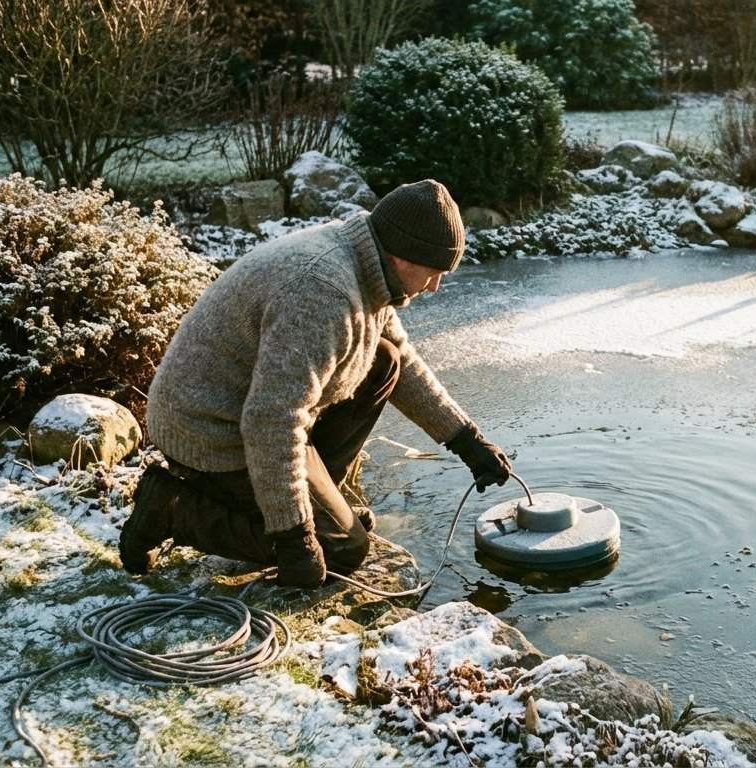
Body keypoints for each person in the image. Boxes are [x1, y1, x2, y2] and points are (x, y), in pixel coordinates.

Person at [119, 179, 512, 587]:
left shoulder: (368, 264)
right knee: (342, 551)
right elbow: (271, 420)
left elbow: (403, 363)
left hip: (253, 410)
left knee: (383, 361)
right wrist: (294, 537)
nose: (435, 286)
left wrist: (465, 439)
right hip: (210, 431)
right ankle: (171, 508)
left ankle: (321, 504)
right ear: (402, 256)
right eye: (434, 272)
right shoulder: (322, 293)